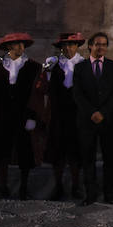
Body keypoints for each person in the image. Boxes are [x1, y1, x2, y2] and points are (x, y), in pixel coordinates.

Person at [0, 33, 45, 200]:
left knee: (25, 152)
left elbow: (37, 94)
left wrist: (34, 117)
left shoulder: (33, 67)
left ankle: (24, 186)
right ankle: (3, 186)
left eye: (23, 44)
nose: (21, 48)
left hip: (24, 114)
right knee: (2, 151)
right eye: (17, 44)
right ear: (8, 47)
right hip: (2, 115)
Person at [73, 32, 113, 205]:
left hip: (108, 122)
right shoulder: (80, 68)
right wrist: (92, 112)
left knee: (109, 159)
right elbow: (77, 94)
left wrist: (104, 112)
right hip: (87, 121)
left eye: (104, 44)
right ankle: (90, 194)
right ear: (90, 46)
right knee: (88, 159)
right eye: (98, 44)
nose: (101, 47)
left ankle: (109, 193)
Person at [43, 32, 85, 201]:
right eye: (65, 45)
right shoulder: (54, 66)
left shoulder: (83, 65)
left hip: (77, 114)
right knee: (58, 153)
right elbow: (46, 88)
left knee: (76, 153)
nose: (68, 48)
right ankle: (58, 185)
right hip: (59, 114)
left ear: (77, 46)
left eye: (72, 45)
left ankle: (76, 185)